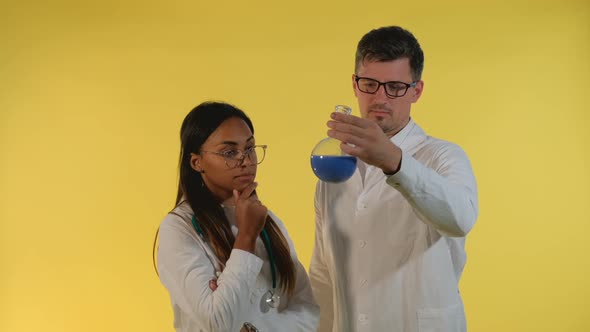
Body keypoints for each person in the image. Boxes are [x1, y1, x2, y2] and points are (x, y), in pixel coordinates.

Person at [309, 26, 479, 332]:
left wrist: (395, 163)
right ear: (355, 84)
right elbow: (323, 271)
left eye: (395, 87)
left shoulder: (442, 156)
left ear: (417, 90)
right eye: (370, 84)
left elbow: (461, 218)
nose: (380, 98)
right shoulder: (335, 169)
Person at [156, 101, 319, 332]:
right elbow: (218, 323)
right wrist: (247, 236)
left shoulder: (269, 221)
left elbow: (309, 312)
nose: (246, 160)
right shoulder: (179, 228)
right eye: (229, 152)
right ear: (196, 162)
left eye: (250, 148)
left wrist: (255, 329)